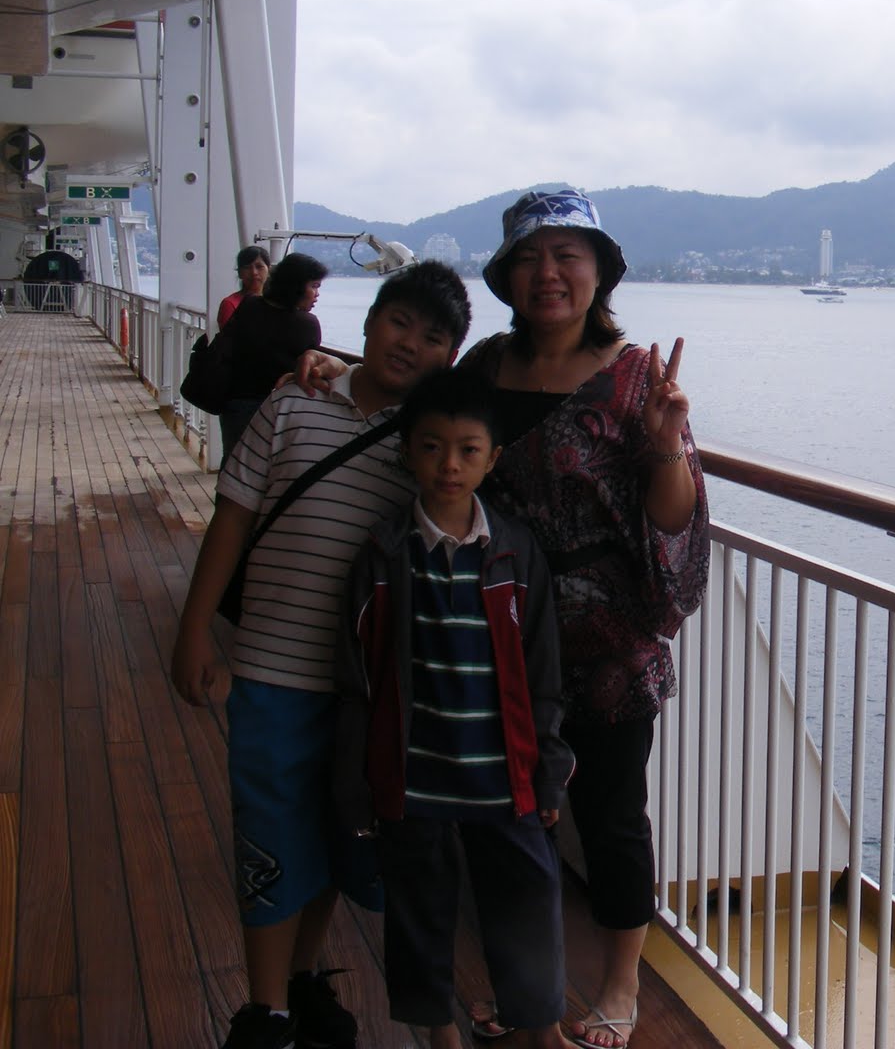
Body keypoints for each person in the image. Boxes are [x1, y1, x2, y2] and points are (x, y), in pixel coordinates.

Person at [296, 189, 710, 1048]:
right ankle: (519, 990)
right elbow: (406, 405)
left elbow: (674, 519)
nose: (547, 273)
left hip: (604, 643)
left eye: (567, 255)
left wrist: (668, 441)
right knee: (501, 822)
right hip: (493, 630)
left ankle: (620, 984)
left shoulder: (639, 377)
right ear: (507, 277)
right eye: (528, 257)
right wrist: (325, 369)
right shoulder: (486, 366)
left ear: (600, 272)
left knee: (610, 814)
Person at [170, 262, 472, 1049]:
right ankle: (264, 1010)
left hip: (363, 687)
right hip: (271, 669)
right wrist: (193, 628)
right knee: (269, 838)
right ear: (367, 321)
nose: (409, 343)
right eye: (398, 321)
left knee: (339, 838)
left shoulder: (427, 442)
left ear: (449, 356)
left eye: (432, 337)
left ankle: (302, 982)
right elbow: (233, 517)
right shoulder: (293, 401)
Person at [334, 368, 580, 1049]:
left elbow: (543, 674)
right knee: (419, 910)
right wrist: (357, 782)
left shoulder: (515, 551)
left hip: (505, 774)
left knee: (529, 901)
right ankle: (440, 1033)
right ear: (407, 451)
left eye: (468, 449)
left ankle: (542, 1031)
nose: (449, 464)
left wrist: (549, 770)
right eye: (432, 446)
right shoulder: (384, 554)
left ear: (492, 458)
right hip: (413, 777)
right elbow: (356, 680)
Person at [217, 251, 328, 460]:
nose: (317, 294)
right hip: (280, 407)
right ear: (296, 286)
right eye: (314, 286)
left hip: (235, 401)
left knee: (233, 462)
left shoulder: (248, 305)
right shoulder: (307, 324)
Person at [218, 244, 271, 328]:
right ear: (239, 273)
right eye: (247, 267)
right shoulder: (230, 304)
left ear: (269, 270)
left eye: (259, 267)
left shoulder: (274, 302)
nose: (254, 272)